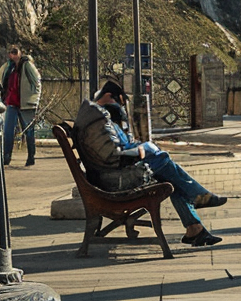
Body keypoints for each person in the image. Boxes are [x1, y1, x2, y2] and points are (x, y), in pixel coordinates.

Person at [74, 81, 227, 247]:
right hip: (115, 179)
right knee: (164, 164)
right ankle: (198, 199)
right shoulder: (99, 119)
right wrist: (137, 152)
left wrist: (137, 147)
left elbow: (116, 147)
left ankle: (195, 228)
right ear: (108, 96)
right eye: (118, 102)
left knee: (169, 175)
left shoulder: (99, 117)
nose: (120, 108)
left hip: (112, 172)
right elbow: (112, 156)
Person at [0, 45, 40, 167]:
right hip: (12, 103)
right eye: (11, 52)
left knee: (28, 131)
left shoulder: (27, 65)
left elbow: (37, 83)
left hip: (26, 103)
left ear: (21, 53)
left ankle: (31, 156)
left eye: (15, 52)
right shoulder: (8, 67)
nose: (13, 55)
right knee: (8, 131)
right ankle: (6, 157)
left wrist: (34, 101)